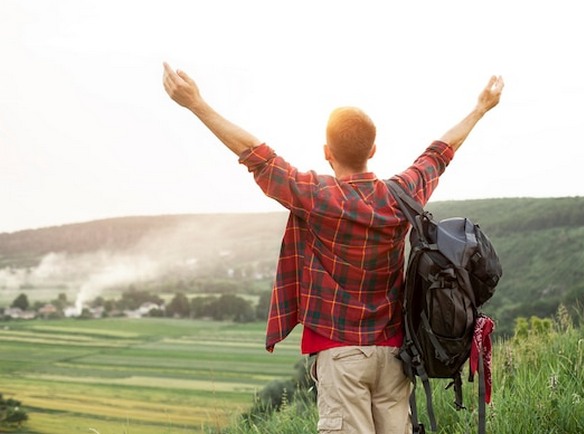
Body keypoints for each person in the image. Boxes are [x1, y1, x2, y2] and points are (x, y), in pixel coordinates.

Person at [162, 62, 504, 434]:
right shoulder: (400, 195)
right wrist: (481, 108)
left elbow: (254, 153)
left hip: (340, 355)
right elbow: (439, 153)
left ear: (327, 152)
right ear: (373, 149)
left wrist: (196, 104)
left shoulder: (316, 197)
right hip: (394, 354)